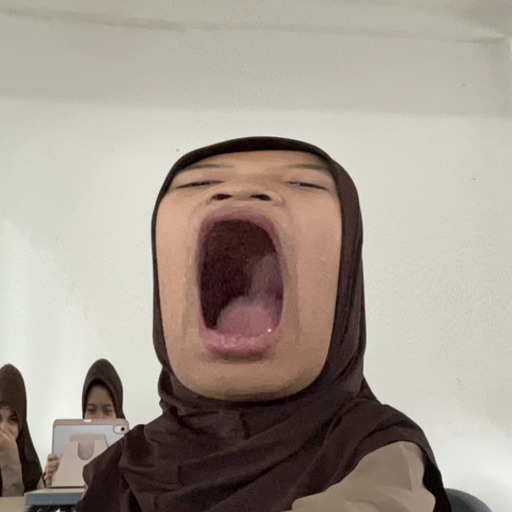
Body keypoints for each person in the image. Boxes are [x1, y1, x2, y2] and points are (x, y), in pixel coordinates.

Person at [77, 136, 452, 511]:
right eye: (198, 183)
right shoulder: (125, 466)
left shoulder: (375, 448)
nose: (242, 190)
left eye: (303, 183)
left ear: (346, 283)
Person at [44, 358, 125, 486]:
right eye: (91, 410)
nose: (99, 418)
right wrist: (52, 484)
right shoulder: (71, 451)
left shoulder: (131, 455)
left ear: (118, 412)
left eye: (107, 411)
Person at [0, 364, 43, 496]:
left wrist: (10, 458)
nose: (3, 428)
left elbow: (16, 505)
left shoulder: (31, 468)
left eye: (13, 420)